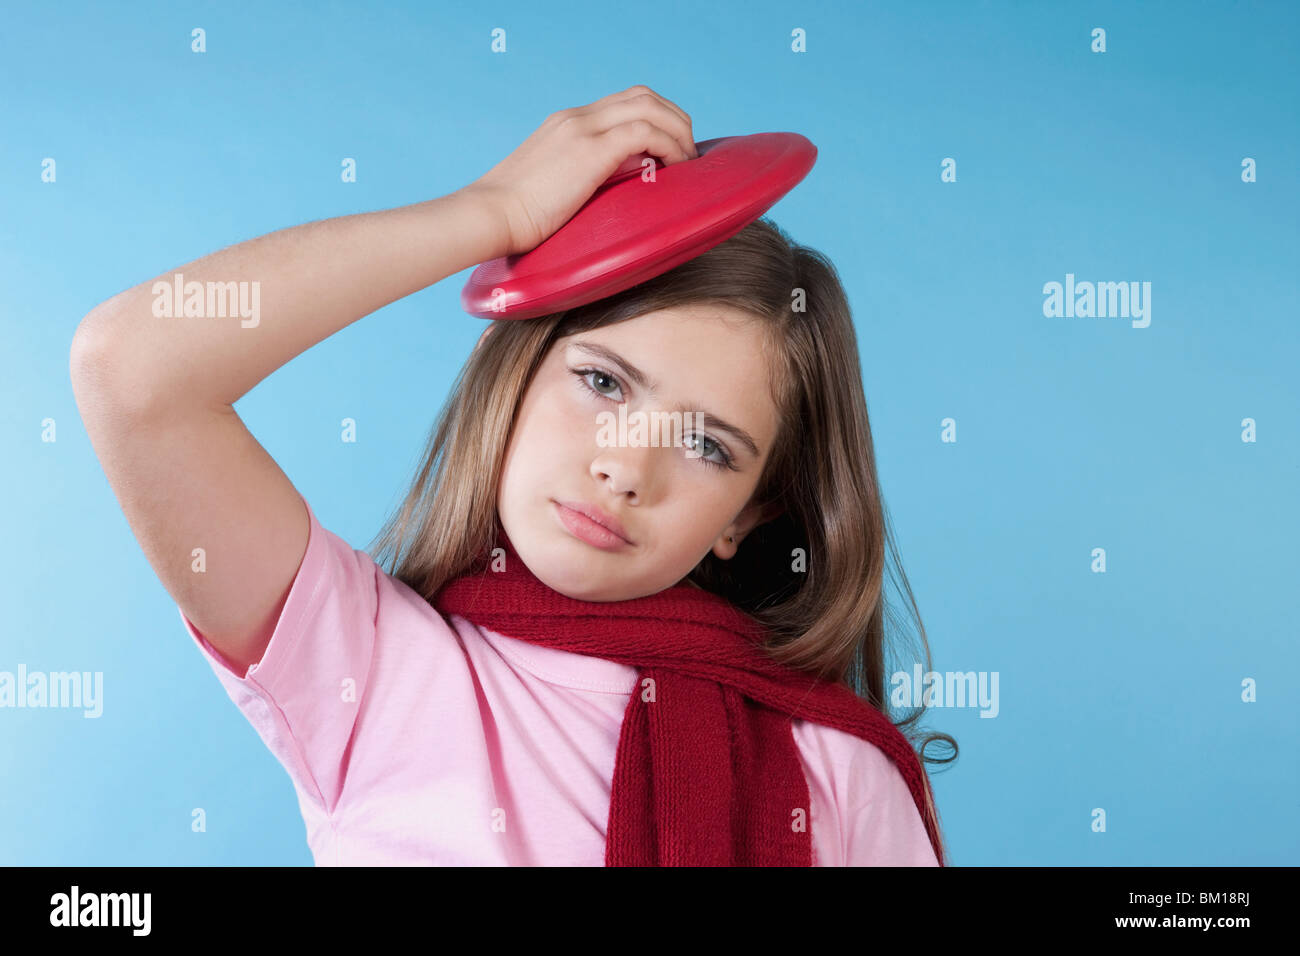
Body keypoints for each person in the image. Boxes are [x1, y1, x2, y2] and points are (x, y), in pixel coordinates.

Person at [70, 84, 956, 866]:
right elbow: (133, 371)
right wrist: (490, 213)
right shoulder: (368, 668)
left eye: (706, 446)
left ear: (747, 515)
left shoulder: (837, 774)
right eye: (602, 382)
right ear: (516, 377)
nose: (625, 468)